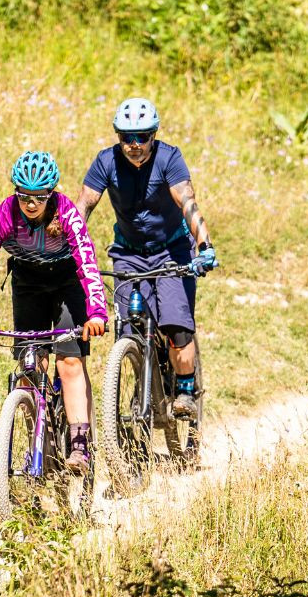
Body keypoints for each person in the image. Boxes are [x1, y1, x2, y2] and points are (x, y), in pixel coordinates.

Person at [0, 151, 109, 473]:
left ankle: (80, 446)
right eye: (24, 196)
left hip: (68, 285)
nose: (31, 204)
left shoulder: (66, 214)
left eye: (39, 197)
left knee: (69, 362)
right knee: (29, 367)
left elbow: (87, 263)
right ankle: (35, 439)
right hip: (28, 284)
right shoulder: (5, 214)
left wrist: (96, 313)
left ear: (51, 194)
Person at [74, 97, 217, 420]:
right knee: (129, 328)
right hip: (128, 253)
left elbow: (188, 203)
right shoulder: (106, 162)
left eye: (142, 136)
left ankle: (183, 387)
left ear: (154, 135)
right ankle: (141, 384)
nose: (135, 144)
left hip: (171, 251)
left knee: (176, 324)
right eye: (127, 137)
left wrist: (204, 245)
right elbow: (83, 207)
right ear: (118, 136)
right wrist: (69, 249)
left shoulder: (169, 158)